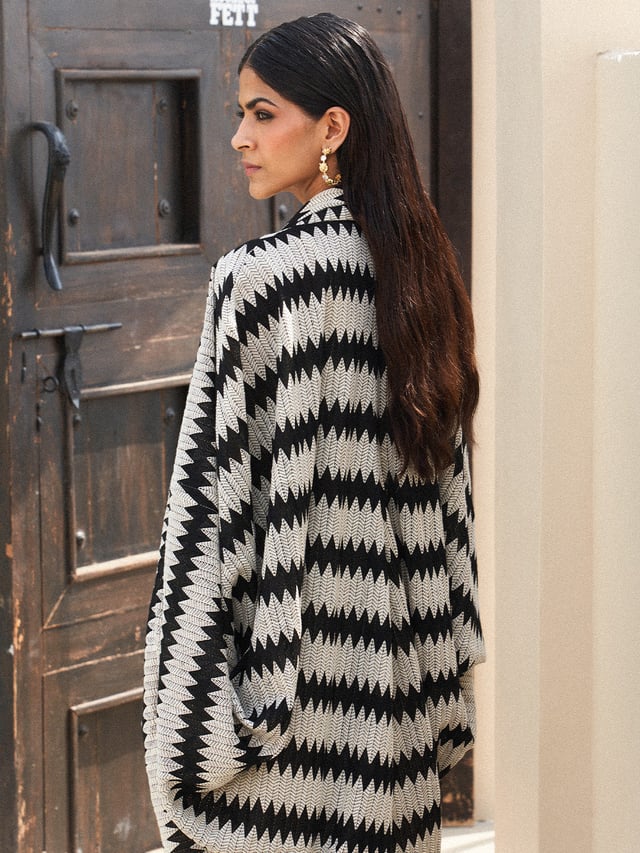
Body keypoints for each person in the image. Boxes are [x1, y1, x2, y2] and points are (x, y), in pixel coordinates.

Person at [143, 12, 484, 853]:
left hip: (288, 715)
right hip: (395, 711)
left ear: (333, 128)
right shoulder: (423, 275)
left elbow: (209, 518)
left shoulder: (257, 280)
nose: (239, 138)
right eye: (241, 114)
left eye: (263, 113)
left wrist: (188, 719)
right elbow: (452, 512)